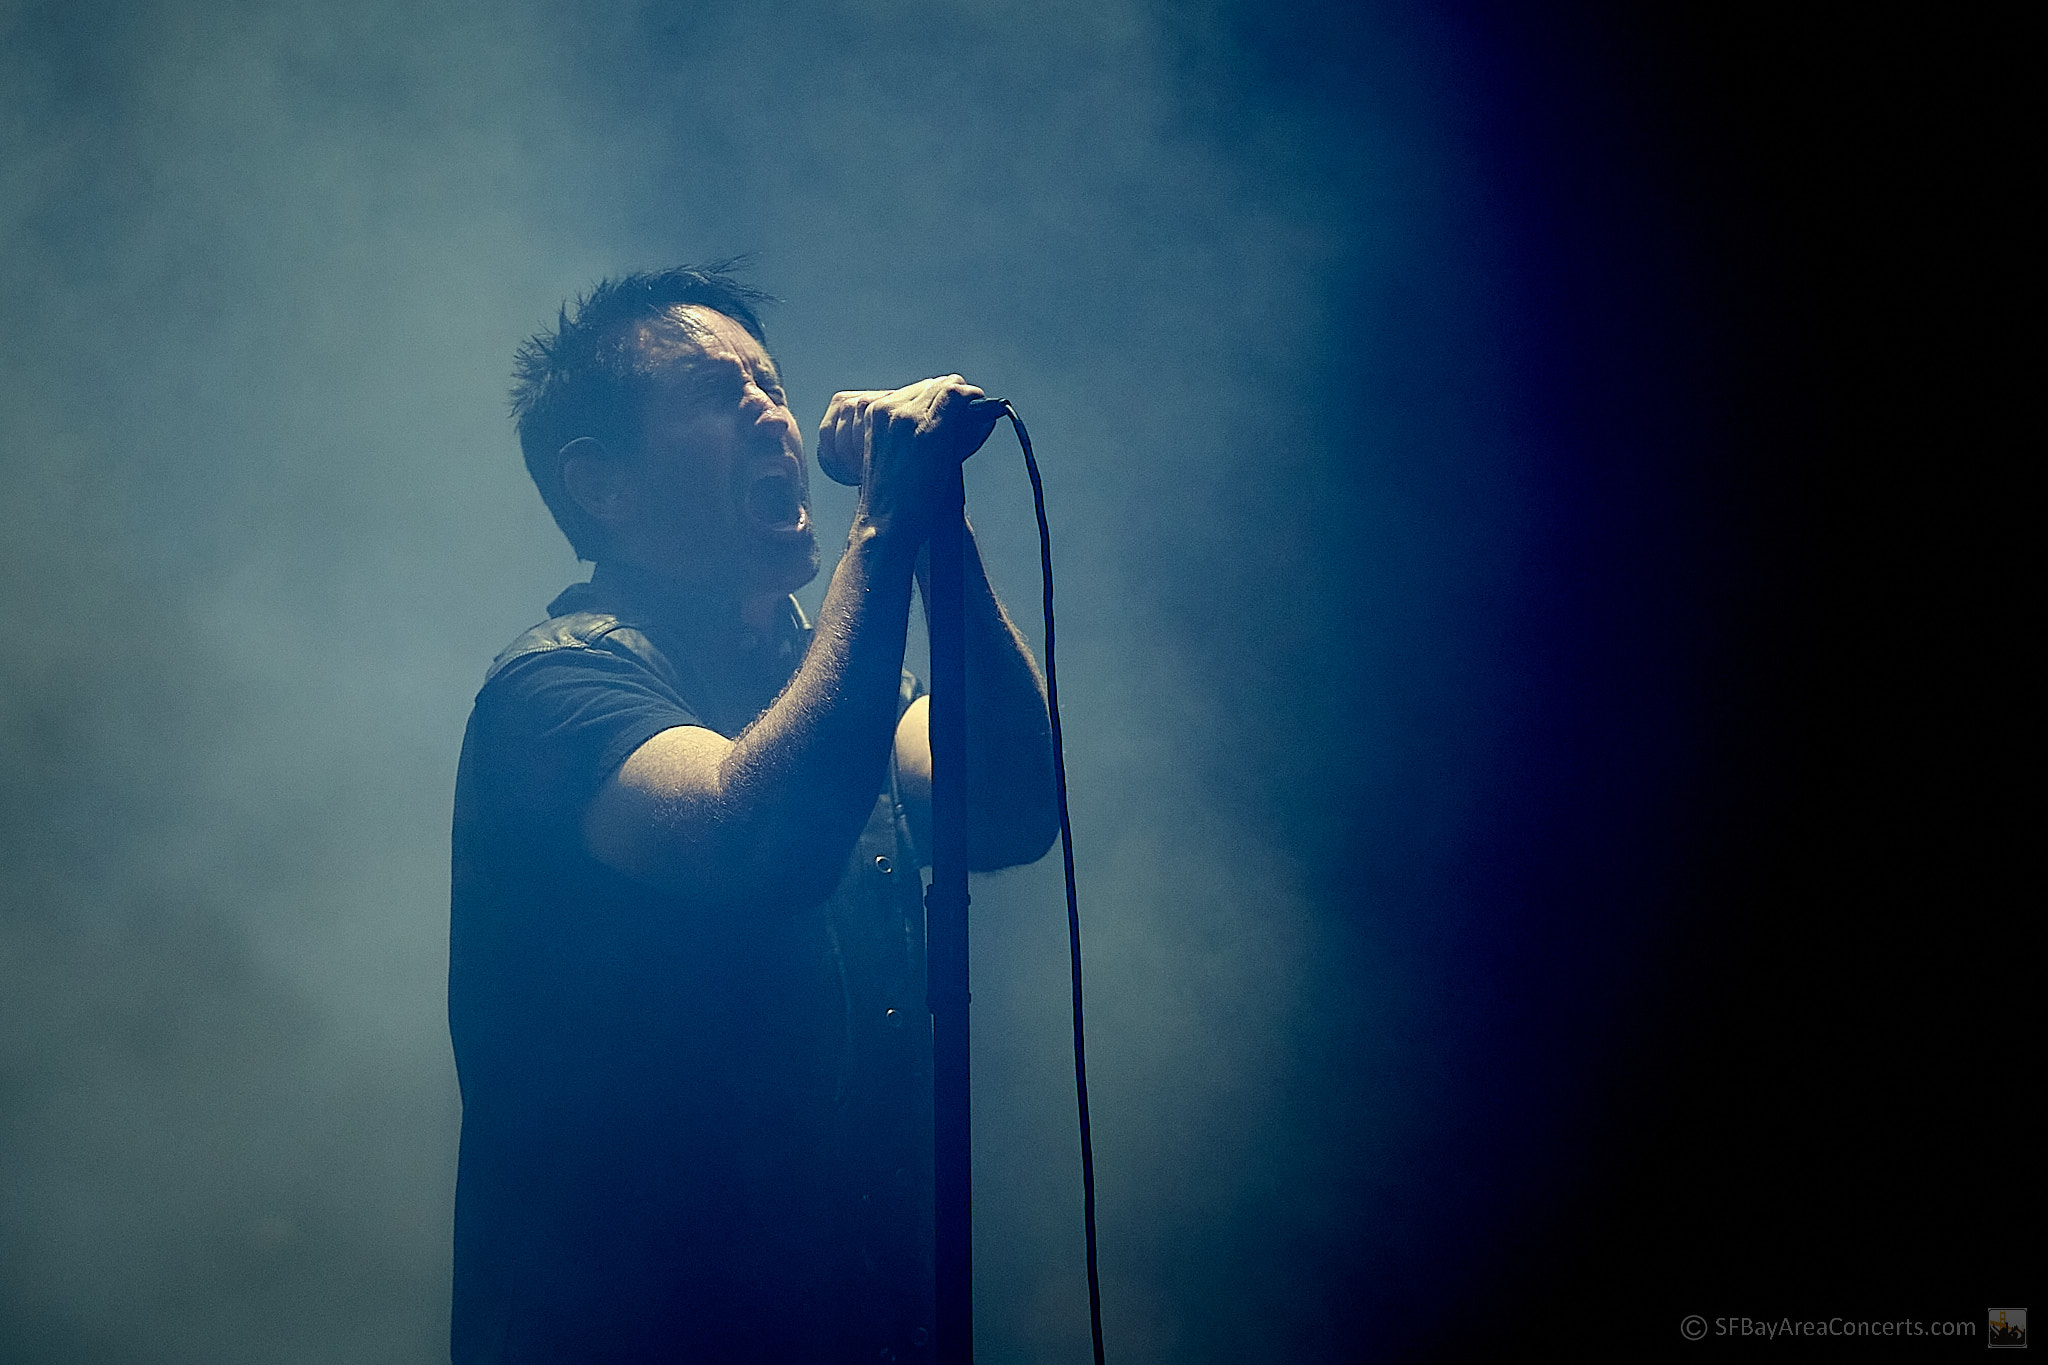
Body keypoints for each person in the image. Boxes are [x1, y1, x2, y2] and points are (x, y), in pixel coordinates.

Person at [448, 264, 1058, 1363]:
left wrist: (938, 531)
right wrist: (880, 531)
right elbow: (749, 841)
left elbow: (1004, 808)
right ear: (604, 485)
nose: (770, 413)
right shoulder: (552, 691)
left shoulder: (832, 681)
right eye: (712, 394)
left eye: (769, 384)